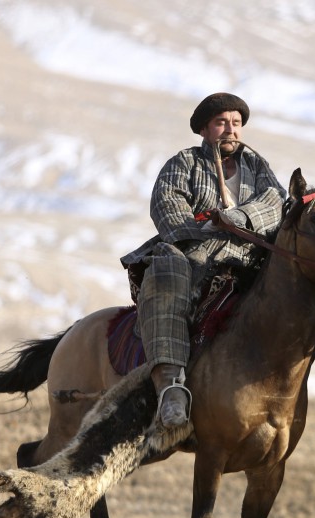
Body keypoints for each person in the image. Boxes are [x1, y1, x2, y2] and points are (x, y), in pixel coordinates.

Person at [121, 93, 286, 428]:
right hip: (195, 253)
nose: (231, 130)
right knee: (166, 269)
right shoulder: (184, 163)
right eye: (221, 123)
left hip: (249, 255)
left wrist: (240, 217)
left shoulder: (256, 165)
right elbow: (166, 203)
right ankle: (170, 387)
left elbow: (277, 201)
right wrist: (204, 229)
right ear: (205, 129)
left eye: (236, 124)